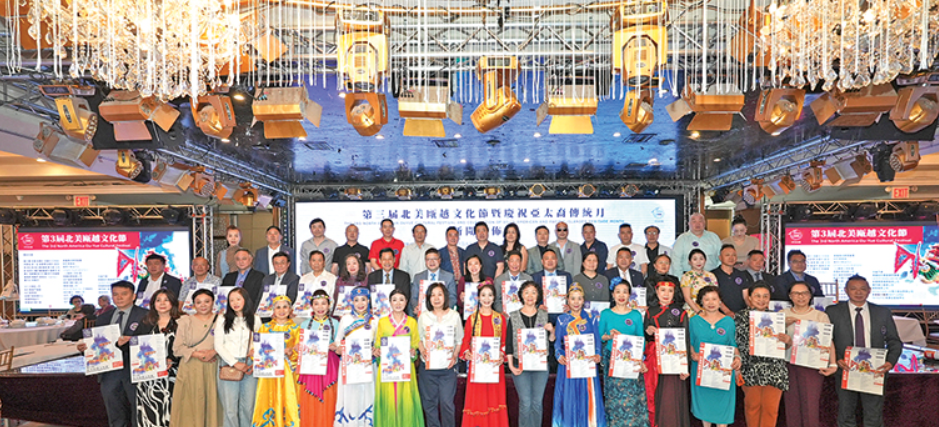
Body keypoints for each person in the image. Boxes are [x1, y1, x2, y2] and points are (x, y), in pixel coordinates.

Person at [826, 275, 902, 427]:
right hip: (846, 369)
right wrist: (836, 359)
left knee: (873, 416)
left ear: (869, 291)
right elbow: (827, 340)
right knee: (846, 415)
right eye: (853, 289)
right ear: (846, 290)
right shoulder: (833, 311)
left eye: (862, 289)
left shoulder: (882, 312)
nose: (858, 292)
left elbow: (894, 341)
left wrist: (890, 361)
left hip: (874, 371)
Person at [77, 281, 148, 427]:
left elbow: (152, 343)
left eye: (124, 294)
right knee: (114, 413)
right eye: (115, 294)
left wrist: (131, 342)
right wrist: (86, 349)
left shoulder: (145, 315)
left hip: (136, 370)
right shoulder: (103, 317)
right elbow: (97, 344)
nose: (119, 298)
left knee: (139, 412)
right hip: (109, 372)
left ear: (133, 296)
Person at [734, 282, 791, 427]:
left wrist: (787, 341)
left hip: (775, 369)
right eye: (757, 296)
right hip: (751, 368)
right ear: (750, 298)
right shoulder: (741, 316)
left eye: (765, 296)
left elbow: (783, 345)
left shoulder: (777, 317)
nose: (761, 300)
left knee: (771, 409)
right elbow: (737, 343)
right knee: (752, 407)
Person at [782, 281, 837, 427]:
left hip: (812, 366)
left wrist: (833, 364)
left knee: (810, 406)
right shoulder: (782, 314)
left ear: (810, 295)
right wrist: (783, 325)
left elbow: (828, 341)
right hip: (788, 365)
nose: (800, 297)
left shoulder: (820, 316)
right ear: (790, 296)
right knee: (791, 405)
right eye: (796, 293)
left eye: (804, 293)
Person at [553, 284, 606, 427]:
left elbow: (597, 341)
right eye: (573, 299)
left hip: (587, 366)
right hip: (568, 366)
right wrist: (559, 355)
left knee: (587, 397)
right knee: (569, 398)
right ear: (567, 300)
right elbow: (557, 343)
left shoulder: (592, 318)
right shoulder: (562, 319)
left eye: (579, 298)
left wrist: (598, 354)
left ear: (584, 300)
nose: (576, 302)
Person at [688, 286, 741, 427]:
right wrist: (693, 354)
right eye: (706, 299)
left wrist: (737, 358)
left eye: (714, 299)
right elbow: (690, 343)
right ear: (701, 302)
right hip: (701, 370)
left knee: (722, 412)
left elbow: (732, 343)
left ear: (720, 301)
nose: (710, 302)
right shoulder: (694, 321)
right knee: (704, 409)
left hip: (723, 372)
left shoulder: (728, 321)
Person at [599, 278, 650, 427]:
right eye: (618, 292)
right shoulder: (605, 313)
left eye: (625, 292)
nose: (621, 295)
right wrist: (609, 336)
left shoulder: (635, 315)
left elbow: (641, 339)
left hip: (632, 361)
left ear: (629, 295)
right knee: (614, 398)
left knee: (632, 398)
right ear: (613, 294)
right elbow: (600, 337)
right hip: (612, 360)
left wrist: (641, 360)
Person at [459, 284, 509, 427]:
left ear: (494, 298)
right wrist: (466, 352)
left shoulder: (500, 319)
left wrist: (502, 354)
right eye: (483, 295)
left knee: (494, 399)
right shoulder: (472, 319)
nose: (487, 299)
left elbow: (504, 342)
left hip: (495, 366)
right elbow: (465, 341)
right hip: (477, 367)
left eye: (490, 295)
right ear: (478, 298)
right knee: (478, 400)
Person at [505, 281, 555, 427]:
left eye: (533, 292)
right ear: (521, 295)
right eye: (526, 292)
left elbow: (551, 340)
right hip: (519, 365)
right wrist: (511, 366)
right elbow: (509, 343)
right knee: (525, 403)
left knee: (537, 403)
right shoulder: (514, 316)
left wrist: (552, 330)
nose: (530, 296)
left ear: (538, 295)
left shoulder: (544, 315)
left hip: (541, 366)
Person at [170, 288, 221, 427]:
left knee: (213, 403)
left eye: (207, 301)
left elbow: (228, 343)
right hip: (190, 367)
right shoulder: (185, 321)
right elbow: (177, 348)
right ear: (193, 304)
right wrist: (197, 354)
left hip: (213, 367)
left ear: (213, 302)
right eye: (199, 302)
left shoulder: (221, 320)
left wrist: (213, 352)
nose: (203, 305)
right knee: (190, 405)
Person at [373, 289, 424, 427]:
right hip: (387, 370)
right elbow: (378, 344)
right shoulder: (382, 322)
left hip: (405, 368)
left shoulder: (412, 322)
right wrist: (377, 351)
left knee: (406, 400)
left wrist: (413, 353)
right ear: (389, 302)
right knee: (389, 401)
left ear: (406, 302)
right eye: (394, 300)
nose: (398, 303)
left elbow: (415, 344)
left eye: (401, 299)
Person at [643, 279, 690, 427]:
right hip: (654, 358)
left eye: (670, 291)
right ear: (656, 292)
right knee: (654, 392)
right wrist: (648, 331)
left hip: (674, 359)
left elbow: (685, 340)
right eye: (662, 290)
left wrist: (685, 366)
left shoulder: (681, 312)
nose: (666, 294)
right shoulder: (649, 311)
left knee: (671, 394)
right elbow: (643, 337)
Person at [418, 283, 463, 427]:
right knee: (429, 404)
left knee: (446, 403)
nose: (436, 298)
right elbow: (418, 339)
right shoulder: (423, 317)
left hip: (447, 368)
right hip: (428, 368)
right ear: (428, 298)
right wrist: (422, 350)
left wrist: (454, 356)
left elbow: (459, 340)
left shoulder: (454, 316)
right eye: (433, 295)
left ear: (445, 297)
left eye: (440, 294)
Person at [134, 289, 181, 427]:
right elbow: (135, 346)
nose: (162, 303)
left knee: (170, 411)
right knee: (150, 413)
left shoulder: (180, 322)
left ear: (173, 303)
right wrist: (122, 342)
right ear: (153, 304)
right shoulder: (146, 322)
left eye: (166, 300)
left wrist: (172, 359)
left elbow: (187, 346)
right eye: (158, 300)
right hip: (148, 377)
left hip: (172, 375)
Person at [252, 296, 301, 426]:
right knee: (267, 397)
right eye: (278, 307)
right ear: (273, 310)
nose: (281, 310)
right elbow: (256, 349)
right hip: (268, 371)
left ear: (290, 310)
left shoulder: (296, 329)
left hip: (287, 372)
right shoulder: (265, 328)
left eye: (285, 307)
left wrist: (291, 351)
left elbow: (299, 351)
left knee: (287, 397)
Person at [214, 288, 260, 427]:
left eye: (238, 299)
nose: (235, 303)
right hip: (228, 364)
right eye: (231, 300)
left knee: (248, 407)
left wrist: (255, 352)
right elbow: (218, 345)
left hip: (249, 366)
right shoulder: (222, 319)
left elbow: (259, 341)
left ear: (246, 300)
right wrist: (235, 363)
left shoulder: (255, 319)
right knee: (230, 409)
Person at [297, 290, 340, 427]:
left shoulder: (336, 323)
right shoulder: (305, 324)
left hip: (330, 365)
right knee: (310, 398)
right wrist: (299, 347)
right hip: (311, 365)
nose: (320, 307)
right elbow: (300, 346)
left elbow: (340, 346)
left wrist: (336, 347)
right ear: (311, 306)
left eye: (323, 303)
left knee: (329, 398)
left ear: (329, 305)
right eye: (316, 304)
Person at [335, 287, 377, 427]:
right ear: (352, 302)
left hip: (368, 365)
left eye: (363, 300)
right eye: (356, 300)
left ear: (368, 301)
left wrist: (375, 349)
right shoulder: (345, 319)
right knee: (351, 396)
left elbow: (377, 343)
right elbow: (337, 341)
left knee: (367, 395)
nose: (360, 303)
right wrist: (339, 348)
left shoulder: (374, 320)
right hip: (349, 365)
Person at [410, 248, 457, 317]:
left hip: (443, 315)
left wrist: (444, 309)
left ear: (439, 260)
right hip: (423, 315)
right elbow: (414, 297)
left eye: (434, 259)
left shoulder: (449, 277)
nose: (432, 262)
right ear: (425, 261)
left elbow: (452, 297)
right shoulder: (418, 277)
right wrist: (417, 307)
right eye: (428, 259)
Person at [711, 245, 752, 314]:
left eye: (734, 255)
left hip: (741, 314)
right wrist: (727, 311)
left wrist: (753, 308)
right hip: (720, 314)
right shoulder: (712, 275)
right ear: (720, 258)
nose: (731, 258)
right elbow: (713, 297)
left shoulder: (741, 274)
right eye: (727, 255)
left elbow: (746, 297)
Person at [680, 249, 719, 316]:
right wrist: (699, 312)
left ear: (705, 260)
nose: (698, 262)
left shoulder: (711, 275)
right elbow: (687, 298)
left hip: (710, 310)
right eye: (695, 259)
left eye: (701, 259)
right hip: (693, 310)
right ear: (689, 262)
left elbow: (716, 295)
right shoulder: (687, 276)